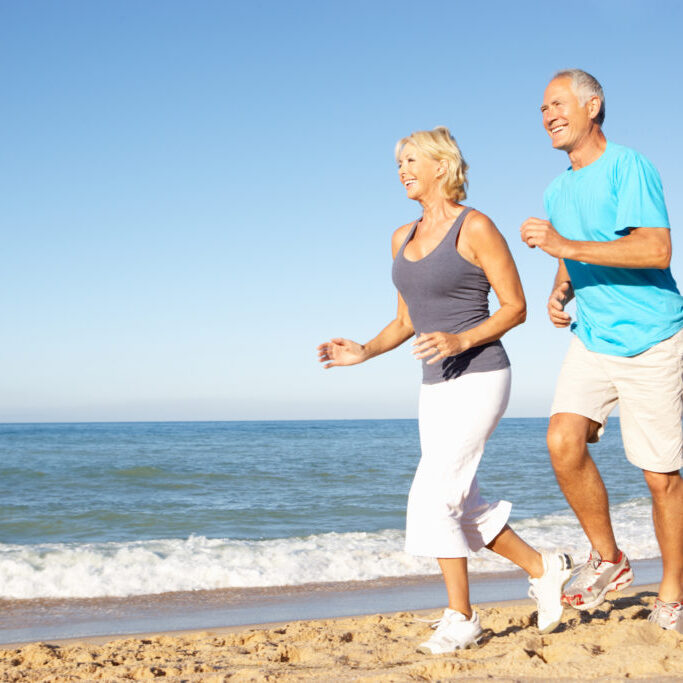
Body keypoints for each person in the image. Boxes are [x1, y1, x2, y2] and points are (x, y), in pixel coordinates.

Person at [318, 127, 573, 654]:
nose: (402, 171)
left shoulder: (475, 226)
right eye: (398, 164)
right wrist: (362, 350)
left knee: (433, 496)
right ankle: (544, 567)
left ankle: (461, 617)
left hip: (481, 375)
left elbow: (515, 307)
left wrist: (461, 337)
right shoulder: (401, 238)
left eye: (411, 161)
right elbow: (406, 321)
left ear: (440, 165)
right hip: (434, 384)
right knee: (461, 500)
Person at [520, 69, 683, 634]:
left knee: (660, 477)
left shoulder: (628, 166)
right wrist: (560, 285)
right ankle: (609, 559)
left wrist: (561, 245)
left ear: (594, 105)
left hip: (652, 340)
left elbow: (656, 248)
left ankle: (672, 592)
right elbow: (573, 252)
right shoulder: (557, 189)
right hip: (592, 336)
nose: (548, 115)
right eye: (542, 109)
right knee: (563, 441)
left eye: (558, 104)